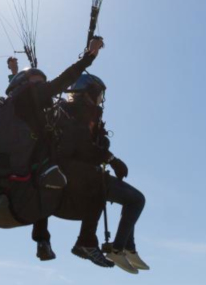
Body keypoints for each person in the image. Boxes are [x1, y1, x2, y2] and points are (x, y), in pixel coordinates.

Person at [2, 39, 105, 263]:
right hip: (41, 158)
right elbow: (65, 79)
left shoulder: (15, 100)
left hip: (24, 162)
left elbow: (15, 89)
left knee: (45, 190)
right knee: (63, 181)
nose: (43, 84)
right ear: (29, 83)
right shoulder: (35, 93)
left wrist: (13, 72)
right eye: (38, 80)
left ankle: (42, 241)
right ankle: (83, 242)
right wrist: (90, 56)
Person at [55, 73, 149, 274]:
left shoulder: (82, 113)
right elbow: (82, 145)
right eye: (99, 94)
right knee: (137, 200)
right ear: (91, 92)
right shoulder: (76, 113)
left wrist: (102, 145)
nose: (101, 98)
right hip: (79, 175)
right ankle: (117, 249)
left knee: (133, 200)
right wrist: (111, 158)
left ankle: (127, 248)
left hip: (85, 174)